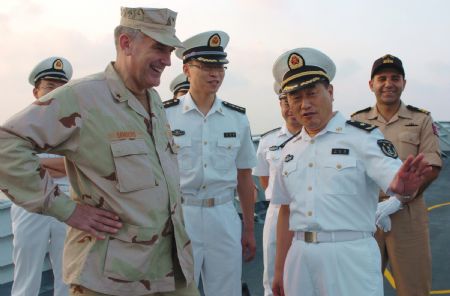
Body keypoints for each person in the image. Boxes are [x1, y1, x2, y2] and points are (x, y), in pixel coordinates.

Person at [0, 7, 198, 296]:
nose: (167, 61)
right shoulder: (84, 97)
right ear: (125, 43)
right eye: (158, 47)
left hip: (171, 270)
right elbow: (6, 144)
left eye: (169, 50)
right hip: (111, 279)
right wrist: (65, 209)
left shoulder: (153, 100)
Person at [269, 47, 432, 296]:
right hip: (299, 258)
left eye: (312, 93)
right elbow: (285, 210)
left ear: (330, 92)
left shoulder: (362, 137)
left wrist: (404, 188)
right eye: (295, 97)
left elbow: (395, 179)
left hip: (349, 255)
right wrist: (279, 270)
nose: (305, 105)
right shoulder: (288, 150)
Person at [164, 30, 257, 296]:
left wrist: (249, 228)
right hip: (181, 215)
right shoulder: (165, 115)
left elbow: (244, 177)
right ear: (186, 70)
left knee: (227, 290)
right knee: (179, 289)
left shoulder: (236, 118)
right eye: (205, 66)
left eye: (219, 67)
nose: (215, 73)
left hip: (223, 214)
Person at [351, 54, 442, 296]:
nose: (388, 83)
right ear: (371, 85)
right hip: (366, 215)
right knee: (358, 286)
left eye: (395, 78)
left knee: (414, 287)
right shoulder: (356, 122)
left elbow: (432, 165)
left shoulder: (421, 119)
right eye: (381, 78)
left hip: (408, 214)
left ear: (404, 83)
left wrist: (399, 200)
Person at [10, 56, 72, 296]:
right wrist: (61, 164)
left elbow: (79, 164)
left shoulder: (75, 125)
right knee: (26, 273)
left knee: (67, 273)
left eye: (61, 88)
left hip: (68, 202)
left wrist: (37, 163)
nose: (55, 92)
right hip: (31, 204)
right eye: (49, 86)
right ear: (36, 91)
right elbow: (13, 165)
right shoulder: (18, 125)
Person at [252, 81, 302, 296]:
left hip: (309, 213)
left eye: (295, 100)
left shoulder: (320, 139)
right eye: (285, 102)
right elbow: (265, 182)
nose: (290, 107)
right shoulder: (267, 141)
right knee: (273, 277)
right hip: (277, 213)